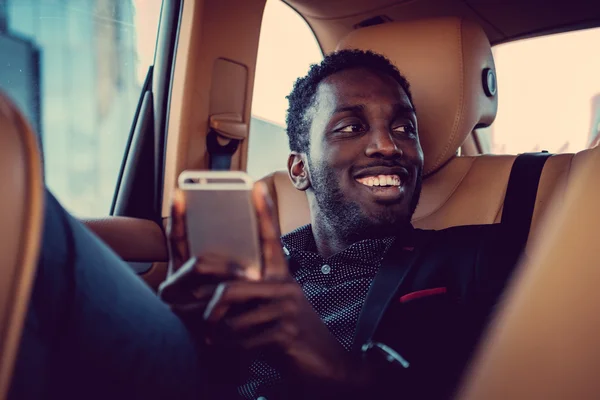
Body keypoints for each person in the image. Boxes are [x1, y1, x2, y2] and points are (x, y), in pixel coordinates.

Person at [9, 50, 521, 400]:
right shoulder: (255, 265)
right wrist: (185, 334)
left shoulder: (481, 258)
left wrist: (340, 369)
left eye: (404, 128)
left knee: (38, 233)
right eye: (351, 127)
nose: (388, 145)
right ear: (299, 169)